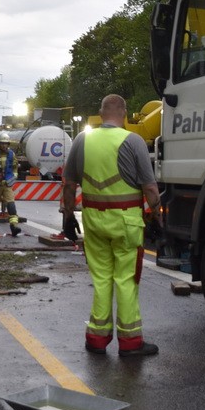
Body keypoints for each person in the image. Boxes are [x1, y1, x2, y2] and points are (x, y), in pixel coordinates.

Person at [60, 94, 162, 357]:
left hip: (93, 220)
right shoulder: (133, 141)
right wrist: (156, 219)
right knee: (126, 280)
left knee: (102, 279)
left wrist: (68, 218)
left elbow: (69, 184)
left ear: (101, 112)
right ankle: (130, 344)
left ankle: (96, 339)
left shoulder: (82, 140)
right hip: (126, 222)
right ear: (124, 112)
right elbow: (150, 187)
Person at [0, 133, 21, 237]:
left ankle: (14, 226)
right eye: (2, 143)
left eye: (6, 144)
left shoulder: (11, 154)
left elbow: (15, 166)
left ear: (8, 144)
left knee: (11, 205)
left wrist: (14, 175)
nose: (4, 146)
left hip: (7, 183)